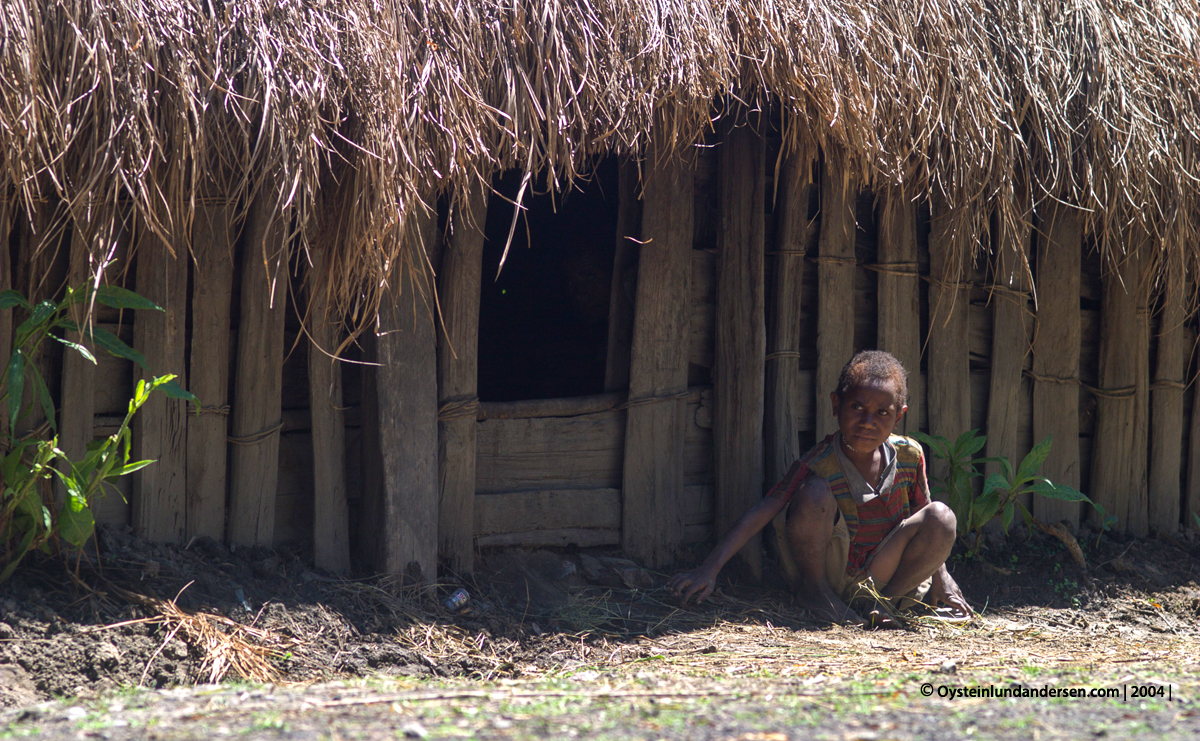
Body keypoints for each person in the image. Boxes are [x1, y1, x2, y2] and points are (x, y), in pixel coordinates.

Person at [669, 350, 973, 627]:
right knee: (814, 493)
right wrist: (709, 569)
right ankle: (815, 593)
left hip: (884, 574)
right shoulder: (819, 462)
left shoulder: (910, 454)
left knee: (942, 517)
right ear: (835, 404)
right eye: (856, 407)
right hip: (834, 574)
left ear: (899, 416)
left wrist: (942, 577)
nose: (868, 422)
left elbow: (925, 517)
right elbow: (764, 510)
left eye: (882, 413)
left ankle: (879, 606)